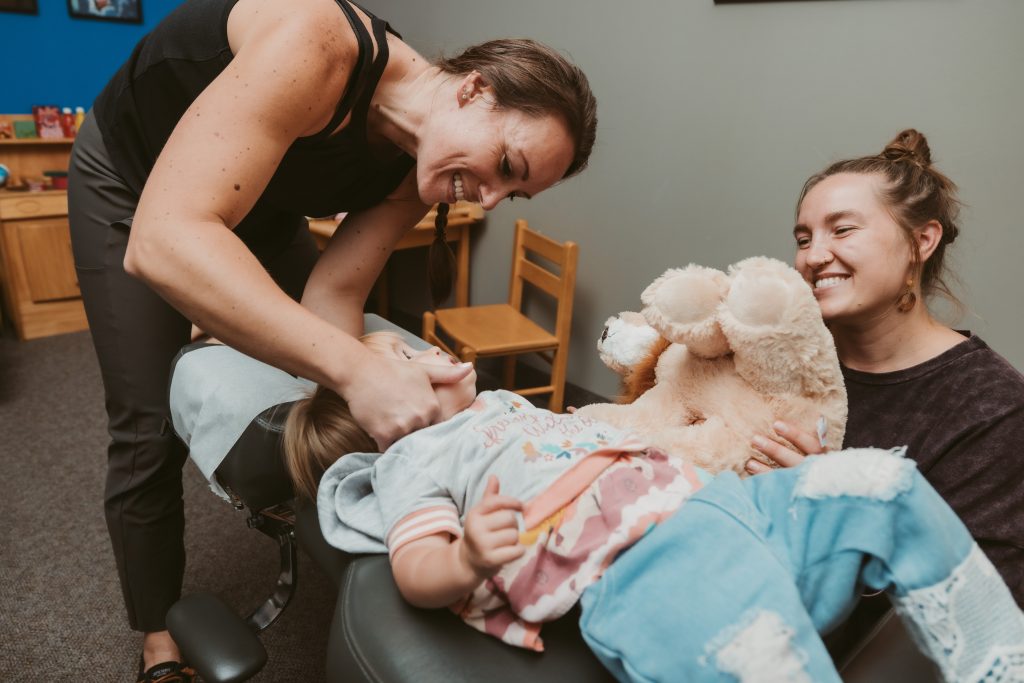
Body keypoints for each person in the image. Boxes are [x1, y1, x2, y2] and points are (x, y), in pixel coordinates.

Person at [67, 0, 597, 676]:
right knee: (145, 424)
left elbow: (335, 294)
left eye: (511, 193)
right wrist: (356, 368)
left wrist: (384, 414)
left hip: (262, 204)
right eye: (504, 164)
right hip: (134, 184)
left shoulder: (419, 166)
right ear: (474, 89)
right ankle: (156, 632)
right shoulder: (315, 43)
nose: (487, 200)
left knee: (313, 357)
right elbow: (165, 240)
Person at [265, 330, 1022, 682]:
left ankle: (998, 659)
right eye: (405, 359)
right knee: (766, 659)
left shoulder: (501, 403)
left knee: (877, 485)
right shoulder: (414, 460)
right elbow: (415, 567)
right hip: (648, 569)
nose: (425, 346)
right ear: (384, 415)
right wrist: (463, 557)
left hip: (727, 509)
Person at [744, 129, 1024, 656]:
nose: (814, 255)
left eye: (842, 230)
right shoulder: (784, 355)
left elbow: (980, 621)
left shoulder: (993, 408)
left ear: (922, 240)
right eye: (803, 238)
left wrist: (842, 522)